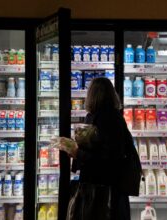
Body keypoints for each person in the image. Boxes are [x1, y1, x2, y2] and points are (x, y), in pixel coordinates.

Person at [53, 77, 132, 220]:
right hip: (105, 186)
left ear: (92, 95)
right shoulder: (100, 116)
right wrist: (76, 149)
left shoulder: (108, 118)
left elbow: (109, 158)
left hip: (104, 188)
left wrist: (78, 153)